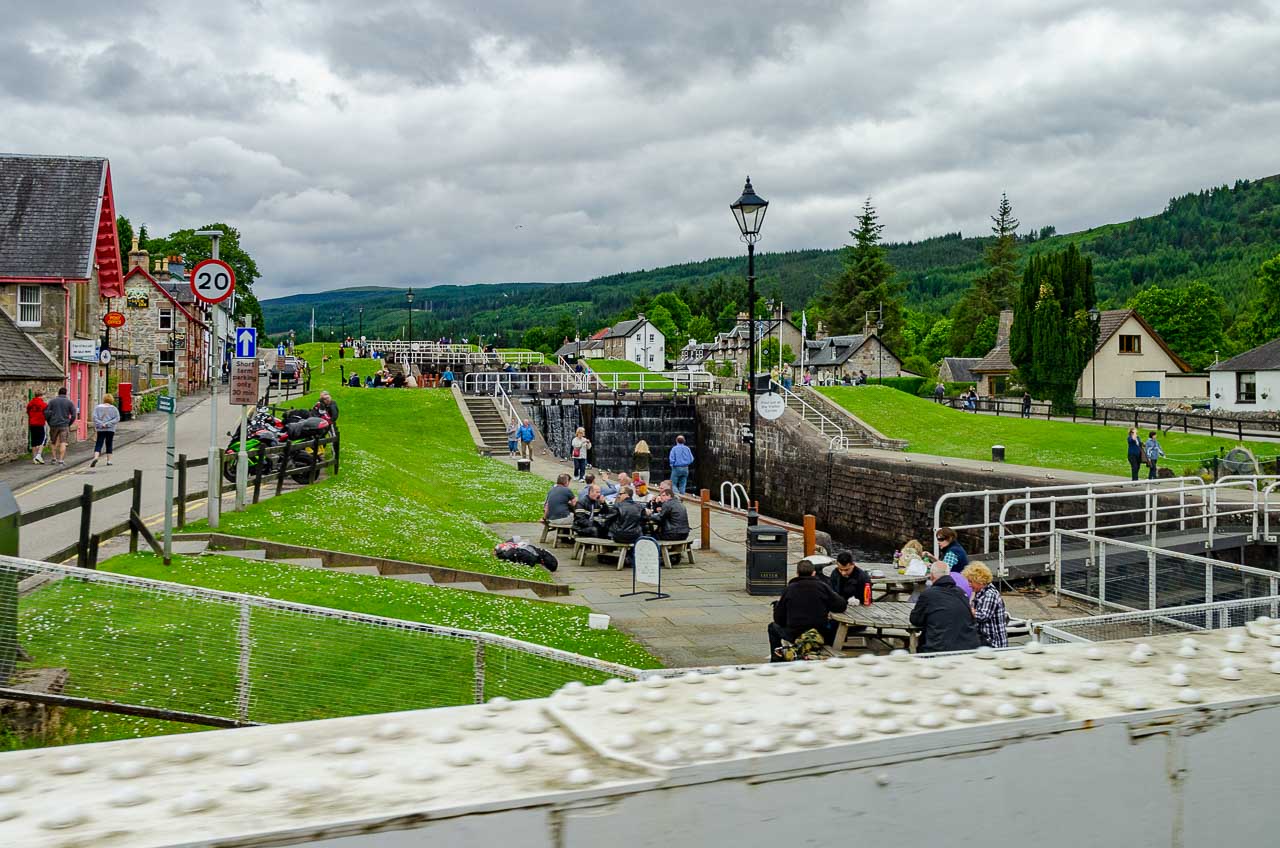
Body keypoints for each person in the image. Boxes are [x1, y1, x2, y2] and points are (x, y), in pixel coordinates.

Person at [768, 560, 848, 661]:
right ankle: (821, 648)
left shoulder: (789, 589)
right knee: (834, 624)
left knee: (772, 627)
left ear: (797, 573)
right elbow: (841, 606)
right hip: (818, 633)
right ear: (814, 573)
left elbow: (778, 619)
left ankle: (776, 659)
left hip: (795, 634)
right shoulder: (822, 587)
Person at [909, 561, 981, 653]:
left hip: (939, 649)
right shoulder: (962, 593)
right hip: (968, 647)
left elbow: (915, 619)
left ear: (932, 576)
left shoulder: (928, 595)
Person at [963, 562, 1008, 648]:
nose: (969, 585)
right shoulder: (980, 593)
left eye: (971, 581)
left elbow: (983, 616)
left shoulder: (990, 594)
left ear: (979, 581)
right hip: (986, 641)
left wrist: (967, 609)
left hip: (994, 643)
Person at [45, 387, 76, 466]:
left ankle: (54, 458)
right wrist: (69, 423)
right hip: (64, 425)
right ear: (66, 393)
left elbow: (46, 413)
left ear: (58, 393)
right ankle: (61, 460)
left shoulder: (52, 401)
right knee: (63, 442)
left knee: (53, 441)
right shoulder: (69, 402)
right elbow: (74, 415)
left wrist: (49, 422)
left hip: (54, 424)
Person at [89, 393, 120, 468]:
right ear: (111, 400)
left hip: (100, 429)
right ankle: (109, 461)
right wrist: (107, 424)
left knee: (99, 443)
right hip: (110, 429)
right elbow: (117, 418)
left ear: (104, 399)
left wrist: (101, 424)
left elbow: (94, 418)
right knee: (109, 444)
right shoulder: (114, 408)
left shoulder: (97, 407)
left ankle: (96, 457)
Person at [26, 390, 48, 465]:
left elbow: (28, 411)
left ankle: (34, 458)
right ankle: (39, 455)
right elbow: (46, 413)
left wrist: (32, 417)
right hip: (40, 423)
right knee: (43, 439)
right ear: (41, 395)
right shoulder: (43, 404)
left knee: (34, 441)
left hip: (32, 423)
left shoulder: (30, 403)